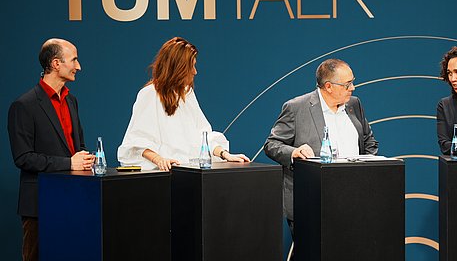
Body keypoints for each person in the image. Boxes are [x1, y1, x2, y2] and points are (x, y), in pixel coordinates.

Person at [8, 38, 95, 261]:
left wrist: (84, 158)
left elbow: (76, 146)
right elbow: (23, 157)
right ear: (56, 64)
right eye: (74, 60)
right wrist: (69, 162)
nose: (78, 66)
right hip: (39, 205)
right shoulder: (23, 106)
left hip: (72, 201)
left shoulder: (71, 101)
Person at [264, 58, 378, 231]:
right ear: (329, 86)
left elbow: (368, 140)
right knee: (313, 257)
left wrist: (366, 170)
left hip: (354, 198)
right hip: (312, 201)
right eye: (347, 84)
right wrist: (294, 152)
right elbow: (272, 144)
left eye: (352, 82)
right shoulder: (296, 108)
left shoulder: (354, 104)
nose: (352, 88)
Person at [118, 37, 249, 170]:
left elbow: (202, 135)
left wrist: (224, 154)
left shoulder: (187, 94)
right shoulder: (149, 94)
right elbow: (138, 140)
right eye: (191, 66)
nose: (195, 71)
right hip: (163, 175)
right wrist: (159, 160)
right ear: (177, 67)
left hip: (187, 172)